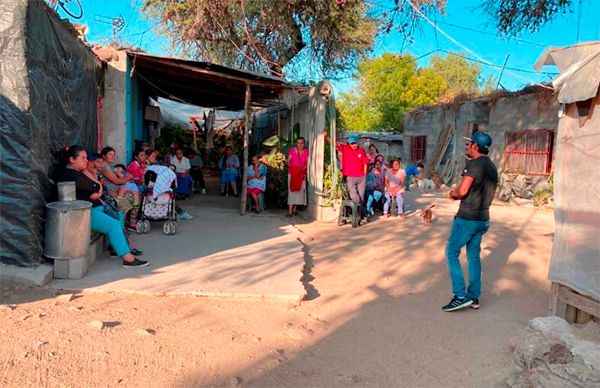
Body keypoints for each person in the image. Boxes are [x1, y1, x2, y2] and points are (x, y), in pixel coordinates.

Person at [55, 145, 148, 268]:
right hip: (85, 213)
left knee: (119, 215)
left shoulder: (79, 172)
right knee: (114, 224)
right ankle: (128, 259)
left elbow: (98, 186)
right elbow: (93, 186)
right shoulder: (68, 174)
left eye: (87, 158)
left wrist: (95, 184)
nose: (86, 161)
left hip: (97, 207)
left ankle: (116, 248)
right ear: (72, 159)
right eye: (83, 158)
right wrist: (97, 187)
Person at [442, 131, 498, 312]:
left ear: (475, 146)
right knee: (473, 256)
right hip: (483, 219)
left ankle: (459, 296)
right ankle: (474, 297)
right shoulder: (491, 167)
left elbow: (463, 190)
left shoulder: (473, 164)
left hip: (467, 218)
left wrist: (452, 194)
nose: (466, 147)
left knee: (451, 252)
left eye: (468, 144)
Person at [324, 133, 369, 216]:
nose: (354, 145)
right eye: (352, 143)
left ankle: (359, 212)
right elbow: (334, 143)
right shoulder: (345, 148)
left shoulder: (361, 151)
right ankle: (359, 211)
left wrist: (364, 175)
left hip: (361, 177)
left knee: (362, 196)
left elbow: (365, 163)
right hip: (350, 177)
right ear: (349, 143)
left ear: (357, 143)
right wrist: (326, 136)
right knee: (353, 195)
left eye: (355, 143)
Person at [287, 137, 309, 217]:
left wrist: (300, 170)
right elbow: (288, 162)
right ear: (296, 144)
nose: (300, 145)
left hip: (301, 174)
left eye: (301, 143)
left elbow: (307, 163)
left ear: (304, 144)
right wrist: (293, 169)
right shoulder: (292, 151)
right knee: (292, 191)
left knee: (299, 191)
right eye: (298, 143)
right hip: (292, 174)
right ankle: (290, 211)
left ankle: (294, 209)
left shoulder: (306, 152)